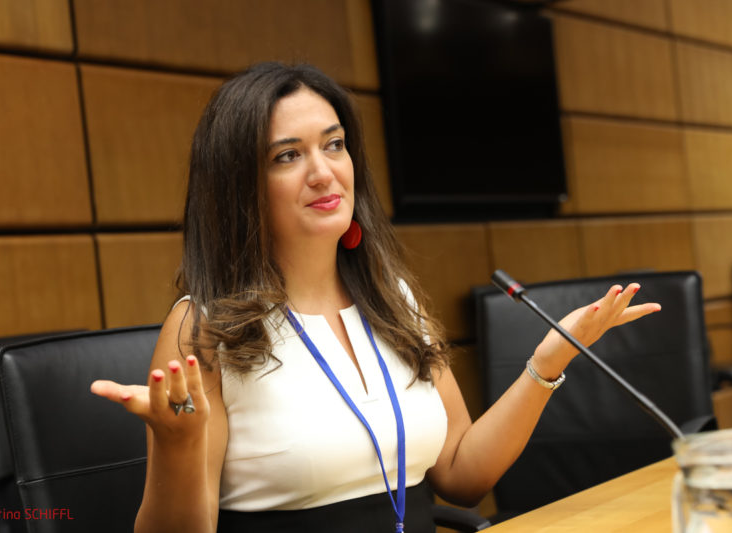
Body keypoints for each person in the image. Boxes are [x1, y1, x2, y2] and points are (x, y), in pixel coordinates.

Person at [90, 62, 661, 533]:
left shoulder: (395, 301)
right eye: (288, 156)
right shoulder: (204, 326)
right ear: (239, 184)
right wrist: (178, 444)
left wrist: (548, 362)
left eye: (333, 145)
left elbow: (462, 475)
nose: (324, 172)